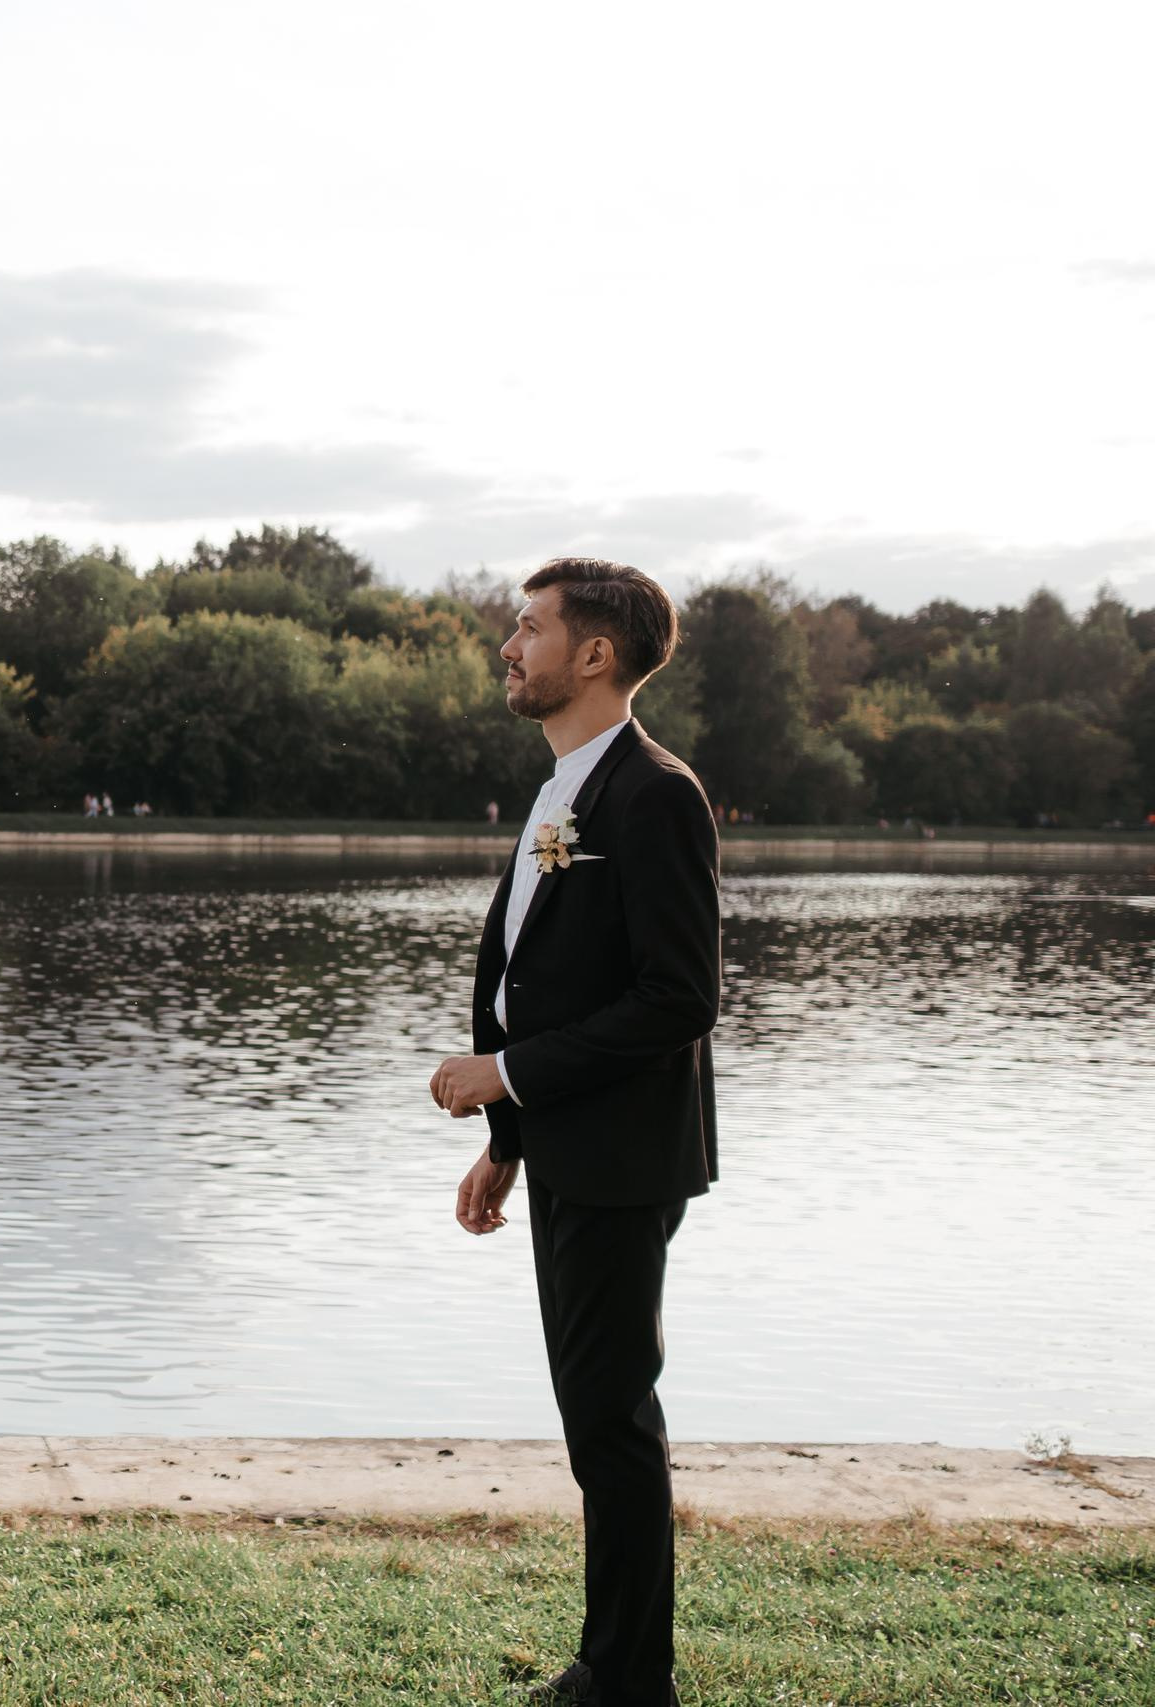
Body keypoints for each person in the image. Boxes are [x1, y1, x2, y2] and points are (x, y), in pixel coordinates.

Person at [431, 557, 719, 1707]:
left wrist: (502, 1071)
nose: (508, 646)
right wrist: (507, 1136)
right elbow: (537, 973)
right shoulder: (563, 787)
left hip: (622, 1155)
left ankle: (625, 1680)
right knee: (593, 1415)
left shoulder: (654, 793)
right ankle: (614, 1666)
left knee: (610, 1422)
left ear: (592, 654)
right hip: (563, 1146)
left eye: (528, 627)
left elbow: (676, 997)